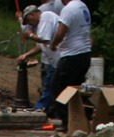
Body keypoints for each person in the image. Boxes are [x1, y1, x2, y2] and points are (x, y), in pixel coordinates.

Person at [45, 0, 91, 129]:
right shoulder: (83, 5)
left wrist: (53, 44)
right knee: (74, 90)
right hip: (85, 54)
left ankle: (66, 121)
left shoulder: (68, 9)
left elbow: (61, 32)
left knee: (57, 87)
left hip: (72, 55)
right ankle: (78, 120)